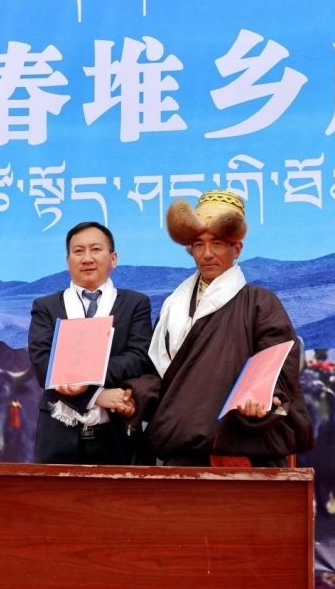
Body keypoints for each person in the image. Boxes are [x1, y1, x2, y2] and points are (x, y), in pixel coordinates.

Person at [123, 190, 314, 467]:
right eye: (198, 245)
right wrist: (135, 395)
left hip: (244, 450)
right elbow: (161, 376)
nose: (207, 254)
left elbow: (278, 368)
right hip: (183, 451)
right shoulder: (173, 306)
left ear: (237, 249)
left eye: (217, 243)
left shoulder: (259, 303)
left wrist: (263, 399)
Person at [28, 221, 153, 465]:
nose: (87, 258)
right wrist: (97, 395)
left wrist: (84, 379)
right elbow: (44, 366)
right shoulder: (46, 307)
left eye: (96, 249)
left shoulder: (135, 304)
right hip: (58, 434)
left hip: (117, 432)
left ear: (113, 258)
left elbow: (138, 358)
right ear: (68, 261)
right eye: (78, 251)